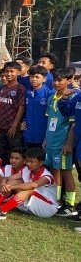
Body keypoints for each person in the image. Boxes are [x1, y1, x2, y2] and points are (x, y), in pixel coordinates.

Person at [0, 148, 58, 219]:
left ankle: (2, 211)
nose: (28, 164)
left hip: (46, 207)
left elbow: (33, 185)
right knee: (12, 182)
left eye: (31, 162)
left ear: (41, 163)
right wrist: (3, 184)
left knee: (29, 189)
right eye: (27, 161)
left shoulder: (46, 176)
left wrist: (11, 187)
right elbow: (8, 178)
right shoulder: (27, 169)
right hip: (30, 205)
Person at [44, 69, 76, 216]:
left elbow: (73, 124)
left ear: (68, 80)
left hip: (62, 142)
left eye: (60, 80)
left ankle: (70, 204)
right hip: (51, 141)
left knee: (66, 172)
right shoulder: (52, 98)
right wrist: (45, 140)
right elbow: (49, 120)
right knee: (54, 170)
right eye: (55, 80)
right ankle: (56, 200)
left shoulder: (72, 97)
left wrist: (68, 143)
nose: (56, 83)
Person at [0, 62, 25, 165]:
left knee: (15, 154)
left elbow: (21, 107)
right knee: (2, 154)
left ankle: (15, 177)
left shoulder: (20, 88)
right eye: (7, 71)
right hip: (0, 127)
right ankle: (4, 176)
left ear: (18, 72)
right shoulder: (2, 88)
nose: (9, 74)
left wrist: (14, 125)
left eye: (12, 71)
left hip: (13, 129)